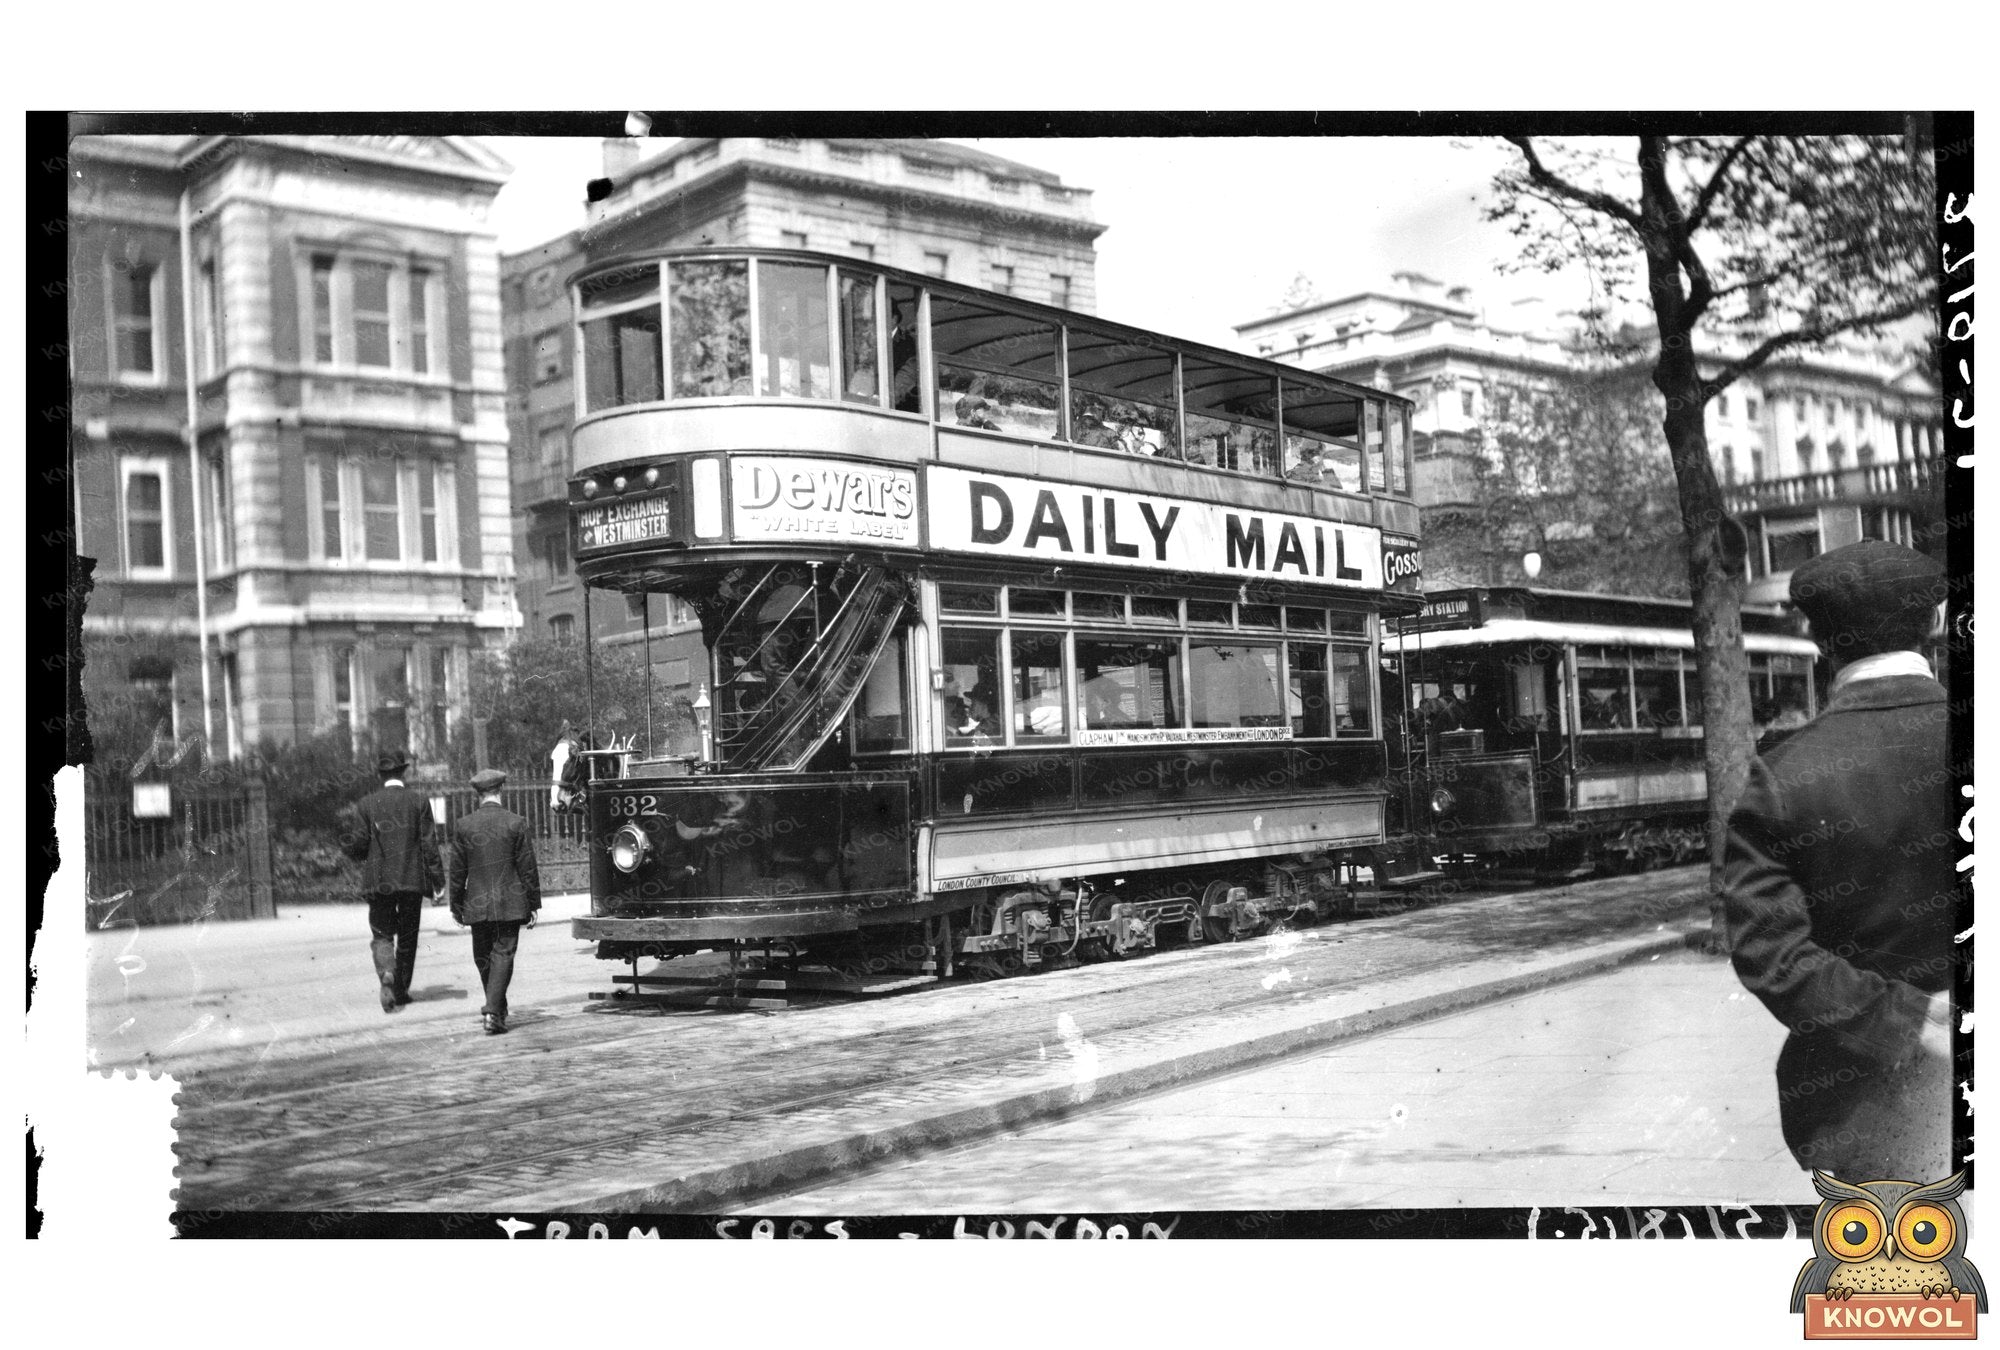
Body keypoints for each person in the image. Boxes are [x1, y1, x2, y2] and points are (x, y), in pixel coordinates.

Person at [1723, 540, 1957, 1181]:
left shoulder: (1782, 774)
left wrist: (1907, 1020)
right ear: (1935, 623)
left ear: (1821, 641)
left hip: (1860, 1111)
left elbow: (1770, 955)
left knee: (1886, 1281)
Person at [340, 749, 444, 1013]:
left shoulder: (366, 804)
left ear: (381, 774)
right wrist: (438, 882)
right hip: (411, 880)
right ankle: (401, 989)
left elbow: (360, 843)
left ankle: (387, 971)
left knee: (382, 933)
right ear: (403, 771)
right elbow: (429, 845)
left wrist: (357, 851)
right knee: (409, 936)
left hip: (379, 881)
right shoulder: (419, 802)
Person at [448, 768, 542, 1036]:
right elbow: (527, 867)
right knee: (503, 955)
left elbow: (456, 871)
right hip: (510, 903)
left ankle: (495, 1011)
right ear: (500, 791)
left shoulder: (464, 825)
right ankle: (493, 1011)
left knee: (484, 958)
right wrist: (533, 903)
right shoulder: (515, 822)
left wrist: (456, 905)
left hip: (476, 903)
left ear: (478, 794)